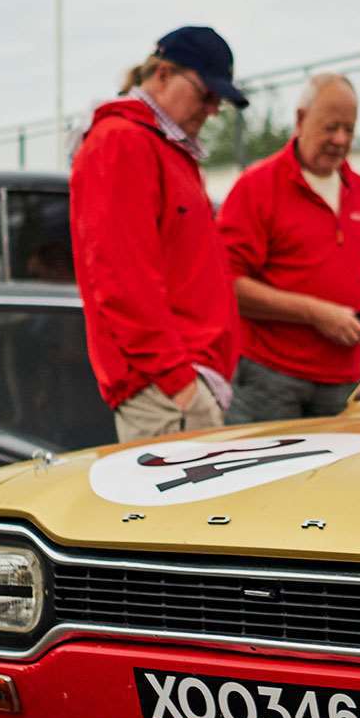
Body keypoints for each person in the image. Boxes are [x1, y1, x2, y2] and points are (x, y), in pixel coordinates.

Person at [69, 26, 246, 441]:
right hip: (166, 387)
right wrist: (177, 382)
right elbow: (120, 277)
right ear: (163, 74)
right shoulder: (122, 142)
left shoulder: (164, 146)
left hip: (183, 381)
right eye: (206, 94)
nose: (214, 109)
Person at [218, 72, 360, 423]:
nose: (340, 140)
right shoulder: (256, 186)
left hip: (344, 380)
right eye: (330, 127)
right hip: (269, 379)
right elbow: (227, 284)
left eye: (349, 129)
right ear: (300, 119)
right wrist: (317, 314)